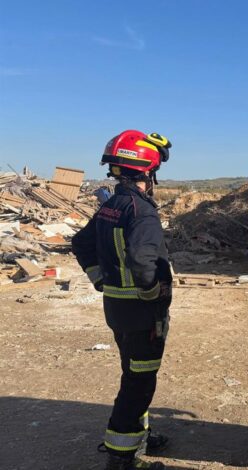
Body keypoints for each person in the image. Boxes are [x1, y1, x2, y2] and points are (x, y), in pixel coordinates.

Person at [72, 130, 174, 470]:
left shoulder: (110, 207)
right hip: (142, 314)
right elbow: (143, 264)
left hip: (117, 310)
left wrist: (100, 279)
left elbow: (81, 243)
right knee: (139, 382)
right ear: (147, 170)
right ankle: (122, 457)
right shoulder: (142, 212)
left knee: (133, 372)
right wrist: (151, 293)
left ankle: (138, 435)